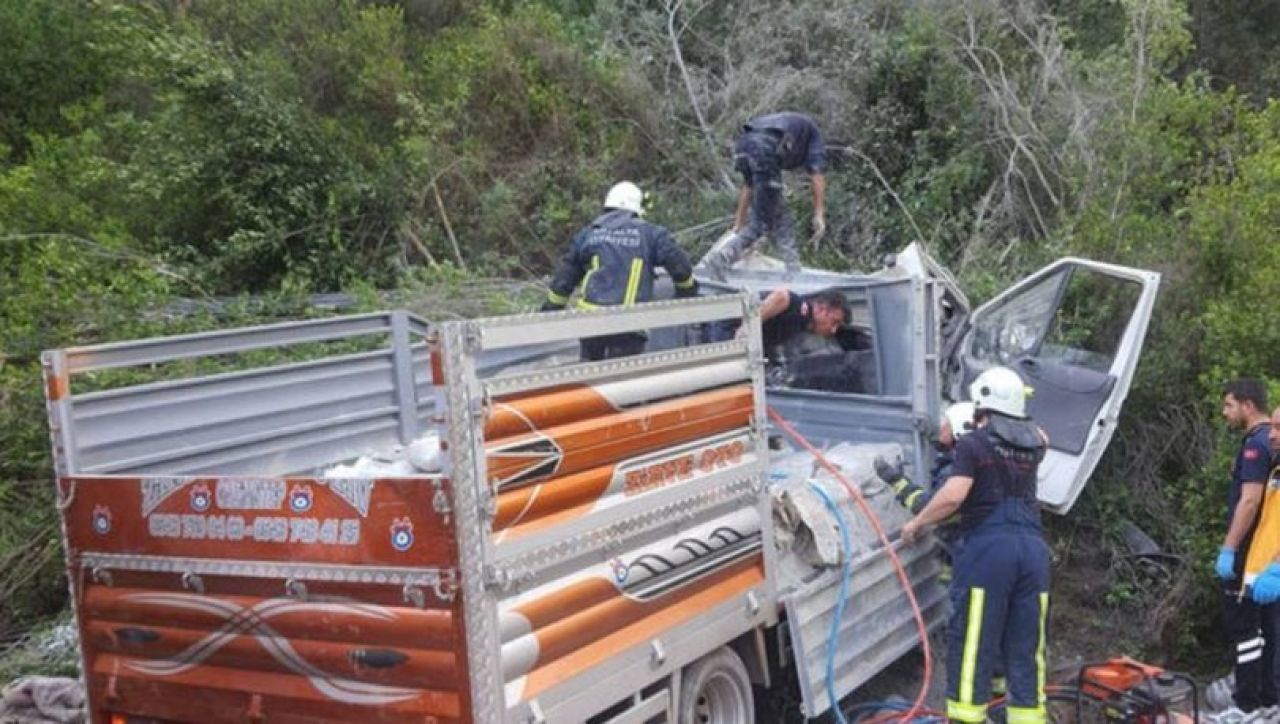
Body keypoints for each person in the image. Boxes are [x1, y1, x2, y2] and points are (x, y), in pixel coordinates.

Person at [902, 367, 1050, 724]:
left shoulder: (973, 445)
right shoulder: (1037, 445)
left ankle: (966, 718)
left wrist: (918, 522)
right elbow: (1038, 432)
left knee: (973, 643)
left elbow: (952, 497)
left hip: (990, 552)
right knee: (1027, 646)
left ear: (982, 404)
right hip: (1034, 554)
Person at [541, 181, 698, 361]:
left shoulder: (589, 234)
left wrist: (549, 312)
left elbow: (564, 280)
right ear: (635, 208)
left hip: (591, 322)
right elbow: (680, 268)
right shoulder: (651, 234)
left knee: (592, 378)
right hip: (629, 323)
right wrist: (688, 292)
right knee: (622, 382)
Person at [701, 112, 827, 280]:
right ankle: (723, 257)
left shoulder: (791, 127)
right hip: (765, 148)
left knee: (779, 212)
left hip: (743, 145)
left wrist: (738, 225)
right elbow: (816, 175)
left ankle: (793, 269)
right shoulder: (814, 135)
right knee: (761, 223)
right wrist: (819, 214)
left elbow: (749, 186)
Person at [1214, 379, 1275, 714]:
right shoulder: (1273, 442)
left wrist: (1229, 548)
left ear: (1247, 405)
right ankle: (1267, 701)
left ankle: (1245, 705)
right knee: (1268, 628)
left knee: (1244, 627)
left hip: (1251, 553)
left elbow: (1249, 501)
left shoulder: (1256, 444)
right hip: (1267, 553)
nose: (1226, 412)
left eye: (1229, 405)